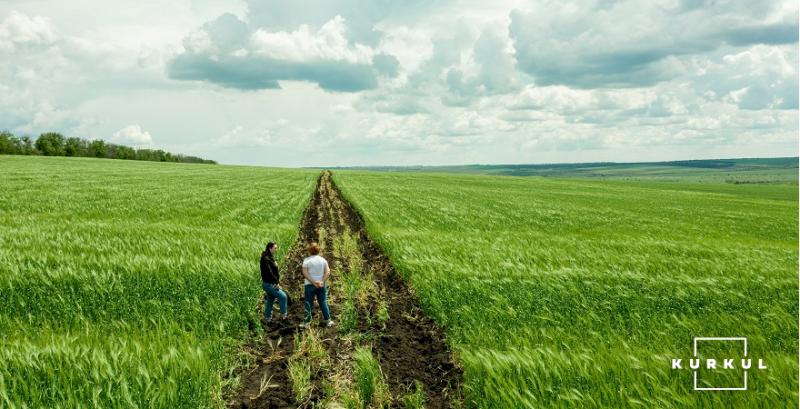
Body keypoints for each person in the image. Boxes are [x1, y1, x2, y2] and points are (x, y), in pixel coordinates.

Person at [301, 242, 334, 327]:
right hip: (321, 285)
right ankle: (328, 320)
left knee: (308, 303)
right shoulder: (323, 260)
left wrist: (313, 282)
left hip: (310, 285)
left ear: (309, 251)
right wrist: (322, 281)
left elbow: (305, 273)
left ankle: (307, 323)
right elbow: (328, 272)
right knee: (323, 302)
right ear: (318, 250)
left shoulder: (307, 260)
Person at [261, 242, 288, 322]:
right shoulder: (266, 259)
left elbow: (273, 270)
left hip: (269, 283)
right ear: (270, 248)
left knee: (270, 300)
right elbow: (270, 272)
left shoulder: (269, 257)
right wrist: (276, 283)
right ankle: (284, 316)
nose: (276, 250)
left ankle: (267, 318)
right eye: (275, 248)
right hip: (269, 284)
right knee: (283, 297)